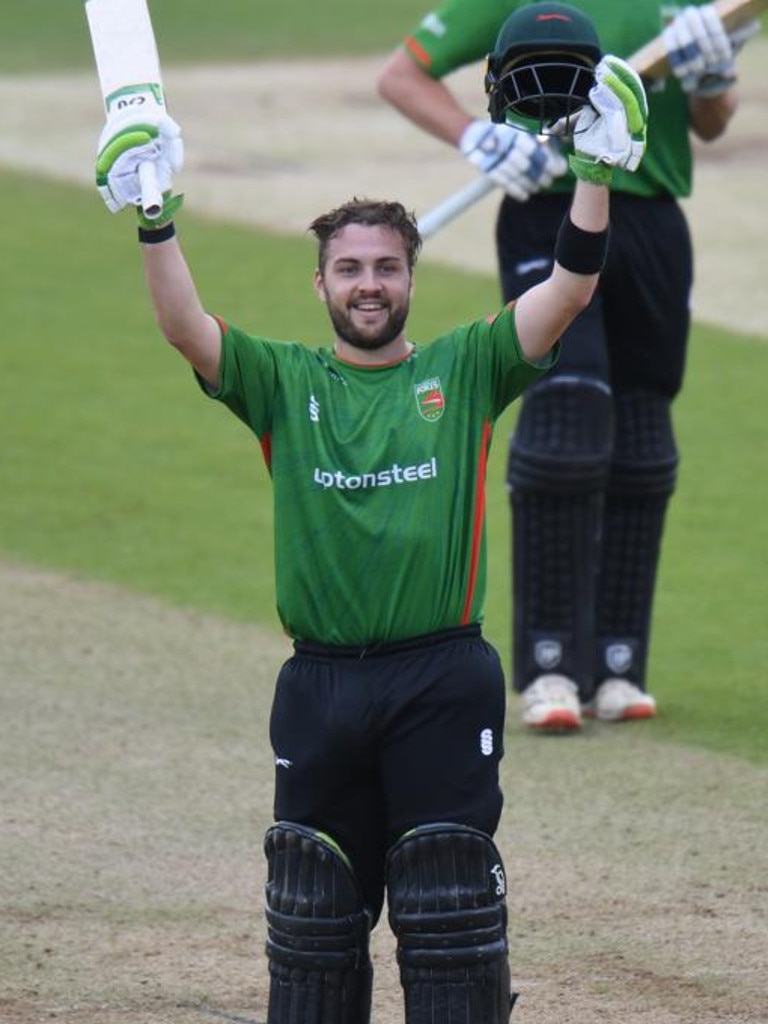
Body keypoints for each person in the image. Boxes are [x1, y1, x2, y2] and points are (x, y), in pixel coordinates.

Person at [93, 40, 647, 1023]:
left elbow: (567, 294)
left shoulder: (469, 365)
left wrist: (598, 174)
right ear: (320, 283)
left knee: (450, 907)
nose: (368, 283)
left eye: (386, 267)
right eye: (348, 268)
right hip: (320, 682)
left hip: (441, 676)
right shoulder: (284, 382)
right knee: (311, 919)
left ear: (410, 280)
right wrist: (154, 211)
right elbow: (186, 326)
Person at [378, 0, 760, 731]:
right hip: (544, 207)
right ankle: (550, 667)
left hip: (650, 215)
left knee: (644, 441)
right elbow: (403, 76)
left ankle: (620, 664)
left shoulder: (684, 4)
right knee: (564, 425)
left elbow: (711, 122)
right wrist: (478, 136)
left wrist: (714, 77)